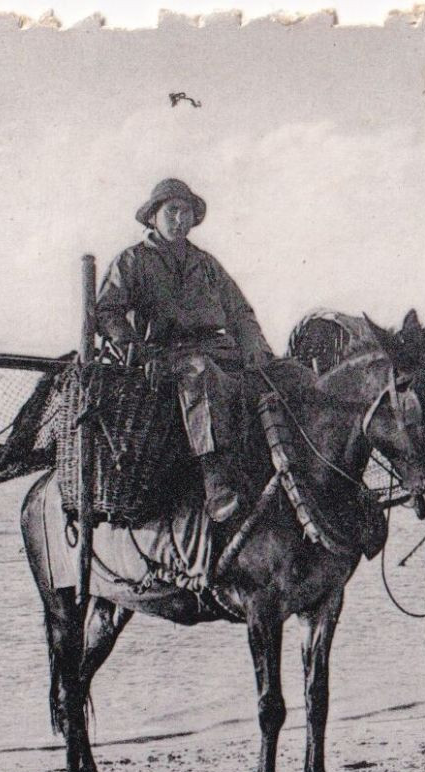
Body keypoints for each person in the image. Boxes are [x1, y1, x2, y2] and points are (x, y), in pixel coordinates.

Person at [95, 178, 275, 523]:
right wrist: (131, 346)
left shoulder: (206, 263)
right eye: (172, 211)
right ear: (153, 218)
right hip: (165, 354)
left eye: (187, 212)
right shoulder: (133, 260)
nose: (180, 219)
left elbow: (240, 311)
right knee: (200, 373)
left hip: (218, 348)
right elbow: (107, 310)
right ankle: (215, 480)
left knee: (278, 375)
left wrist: (255, 346)